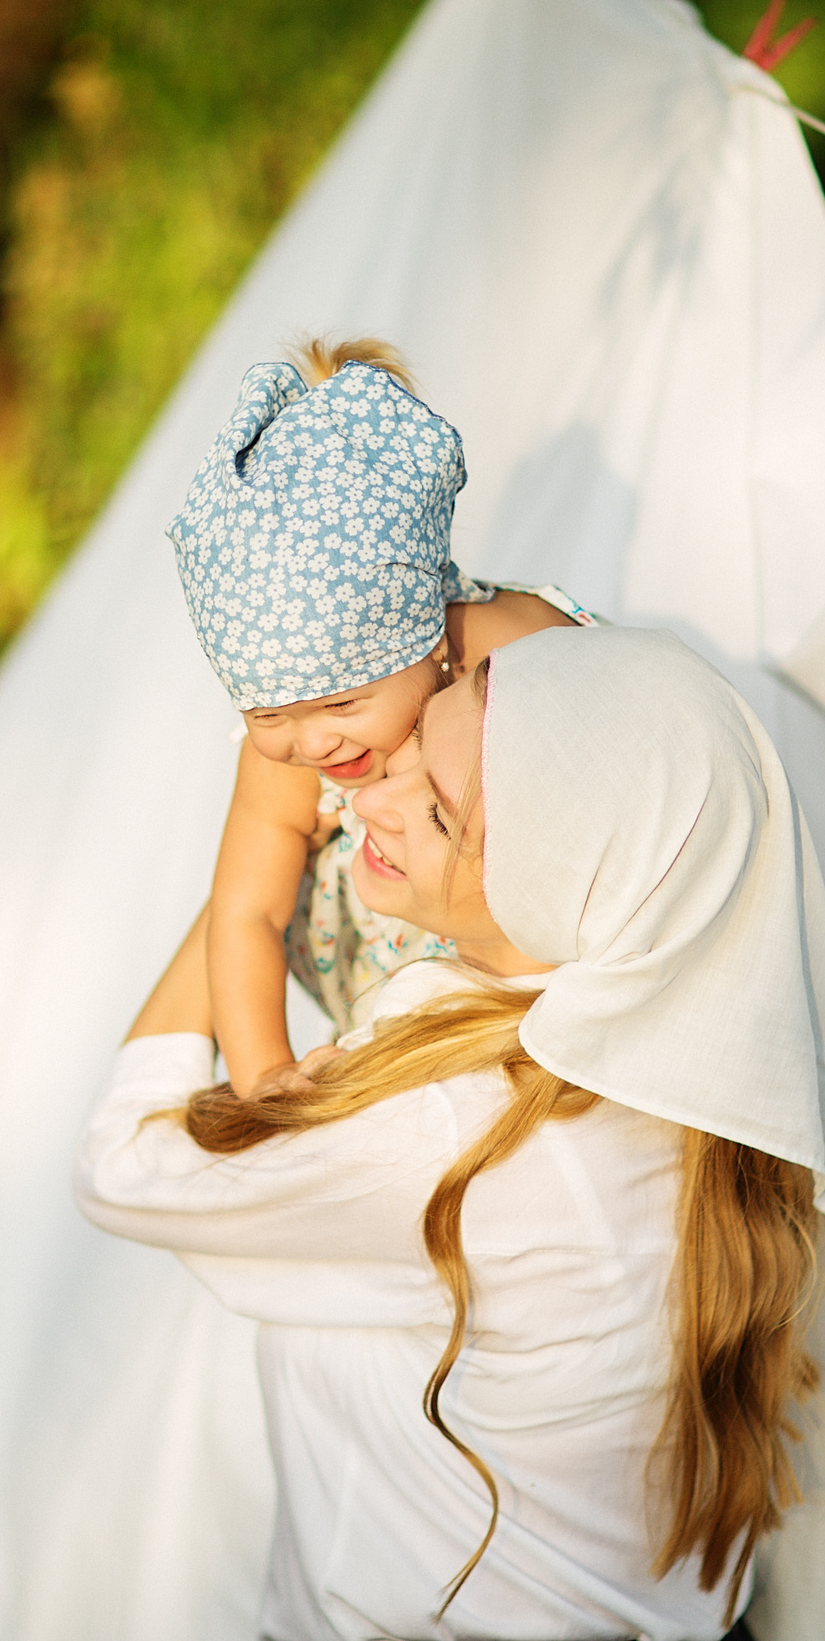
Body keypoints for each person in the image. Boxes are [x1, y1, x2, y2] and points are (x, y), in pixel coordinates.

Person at [77, 626, 825, 1641]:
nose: (364, 795)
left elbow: (123, 1162)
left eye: (436, 810)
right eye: (416, 738)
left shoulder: (451, 1129)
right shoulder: (700, 1055)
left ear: (548, 881)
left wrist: (251, 872)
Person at [168, 339, 597, 1095]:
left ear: (424, 633)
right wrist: (264, 1072)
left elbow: (617, 760)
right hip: (389, 1007)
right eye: (269, 710)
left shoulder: (518, 663)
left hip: (538, 975)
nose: (312, 739)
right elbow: (246, 915)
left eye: (342, 701)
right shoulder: (285, 764)